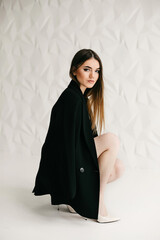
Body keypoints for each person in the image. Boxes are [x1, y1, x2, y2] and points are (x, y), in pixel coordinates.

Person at [32, 49, 125, 223]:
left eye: (97, 71)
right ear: (74, 70)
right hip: (67, 162)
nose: (93, 75)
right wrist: (69, 183)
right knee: (111, 139)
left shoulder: (81, 98)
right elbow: (64, 146)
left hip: (75, 158)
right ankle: (97, 202)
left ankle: (75, 201)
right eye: (87, 69)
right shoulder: (71, 99)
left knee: (118, 167)